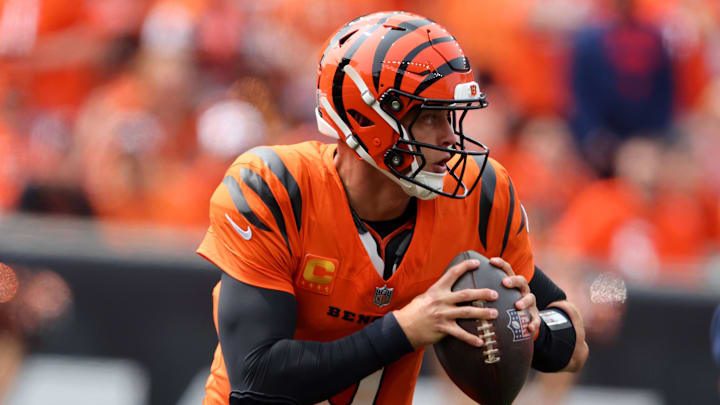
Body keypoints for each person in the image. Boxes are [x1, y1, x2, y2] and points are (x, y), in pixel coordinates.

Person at [196, 11, 588, 405]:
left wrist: (532, 328)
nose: (451, 138)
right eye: (430, 117)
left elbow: (572, 342)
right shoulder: (277, 187)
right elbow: (256, 377)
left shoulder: (478, 196)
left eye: (450, 117)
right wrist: (405, 329)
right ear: (367, 117)